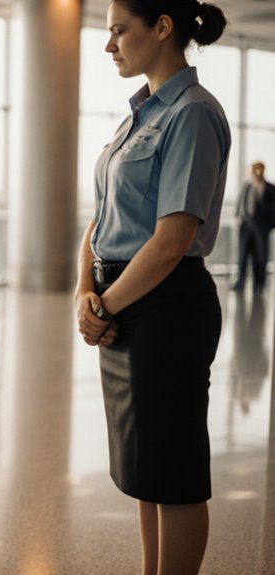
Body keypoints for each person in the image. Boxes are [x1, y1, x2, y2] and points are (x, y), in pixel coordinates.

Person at [74, 2, 229, 574]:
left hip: (165, 307)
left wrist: (104, 305)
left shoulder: (192, 113)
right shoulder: (138, 114)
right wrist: (82, 291)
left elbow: (172, 238)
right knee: (145, 468)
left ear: (162, 27)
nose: (109, 44)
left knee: (176, 473)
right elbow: (99, 221)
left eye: (118, 30)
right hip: (122, 304)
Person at [232, 161, 275, 291]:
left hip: (261, 229)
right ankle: (240, 282)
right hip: (246, 228)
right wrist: (238, 219)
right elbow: (240, 205)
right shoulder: (247, 186)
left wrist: (269, 227)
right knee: (242, 256)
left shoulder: (271, 188)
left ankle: (259, 283)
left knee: (260, 256)